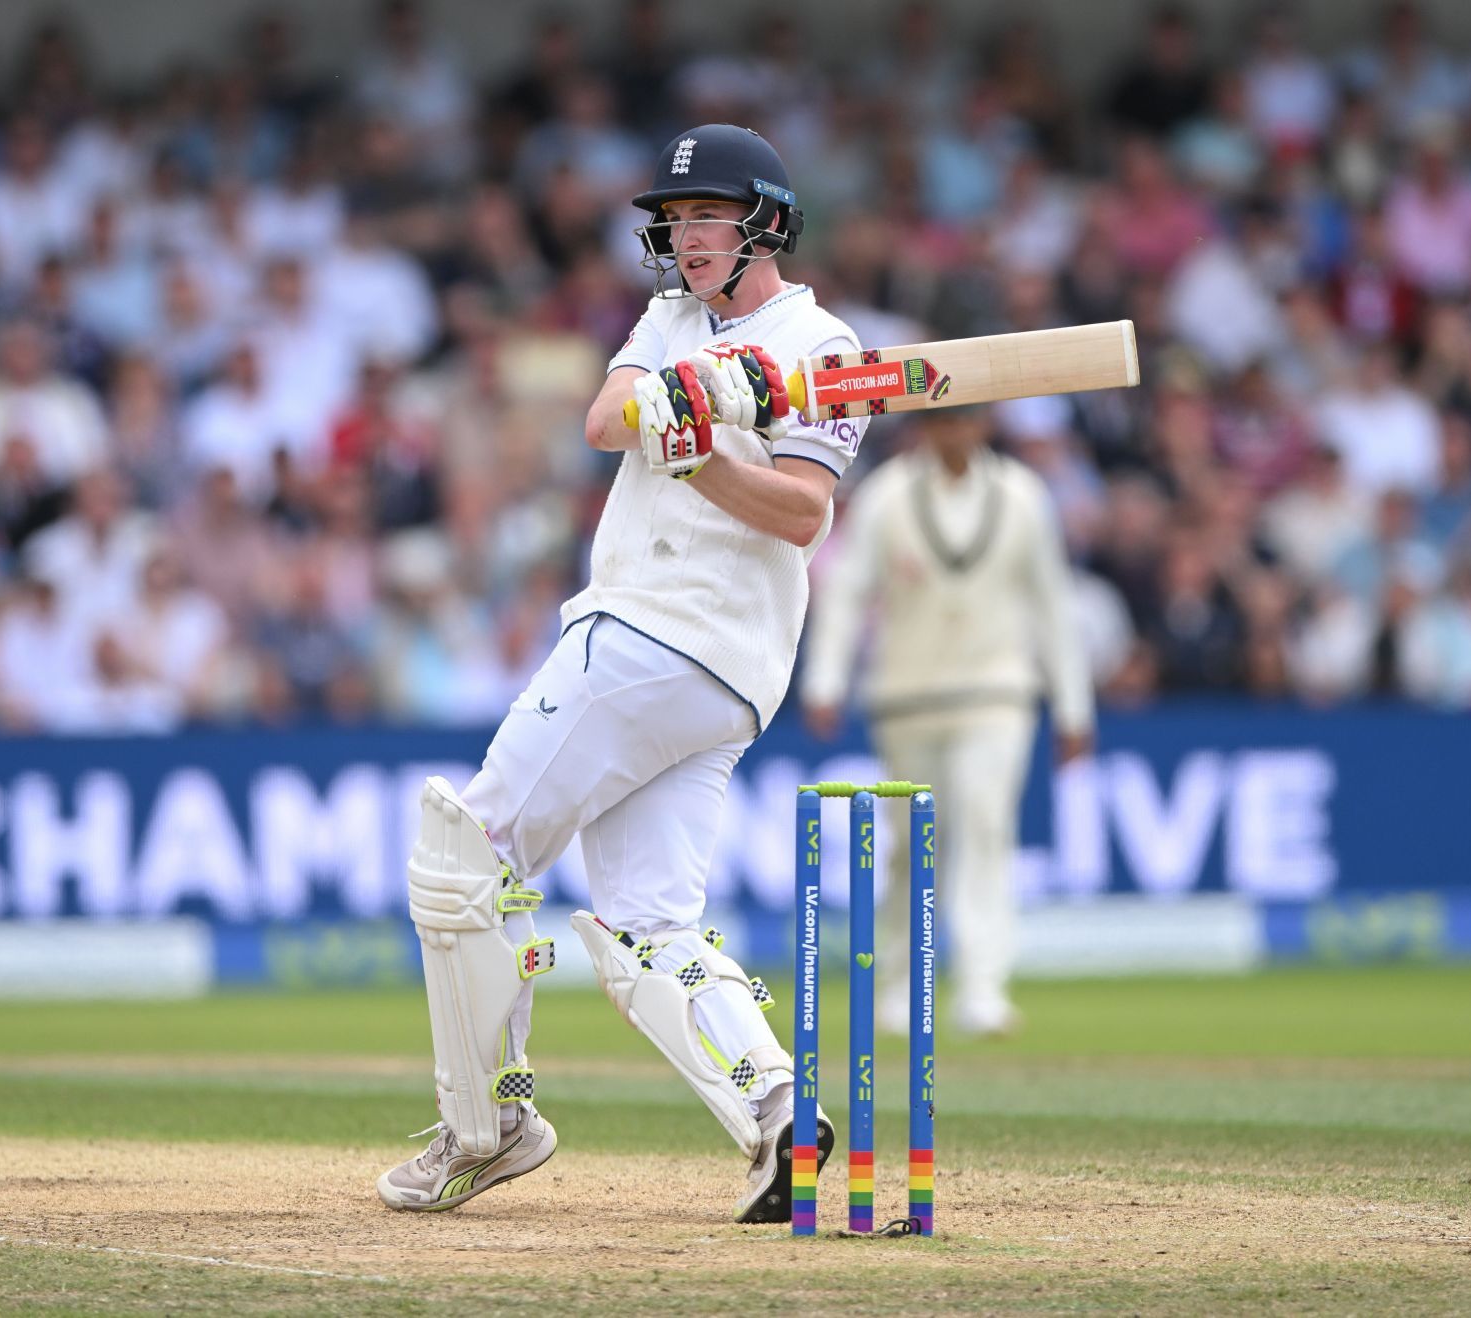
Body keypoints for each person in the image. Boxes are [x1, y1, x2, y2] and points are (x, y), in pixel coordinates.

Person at [376, 124, 867, 1223]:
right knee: (651, 921)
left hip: (659, 632)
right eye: (678, 219)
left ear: (766, 223)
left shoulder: (828, 347)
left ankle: (486, 1128)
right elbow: (607, 420)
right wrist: (704, 397)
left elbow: (800, 513)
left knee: (469, 855)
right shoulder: (674, 319)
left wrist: (709, 449)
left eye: (710, 217)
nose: (687, 238)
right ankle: (779, 1114)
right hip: (720, 675)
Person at [801, 408, 1093, 1037]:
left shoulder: (1020, 493)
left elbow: (1051, 599)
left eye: (963, 423)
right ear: (924, 430)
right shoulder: (886, 495)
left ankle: (984, 986)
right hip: (907, 694)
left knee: (986, 825)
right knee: (910, 847)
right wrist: (826, 679)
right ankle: (902, 984)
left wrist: (1074, 704)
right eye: (941, 425)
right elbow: (849, 590)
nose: (952, 436)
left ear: (983, 426)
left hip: (997, 690)